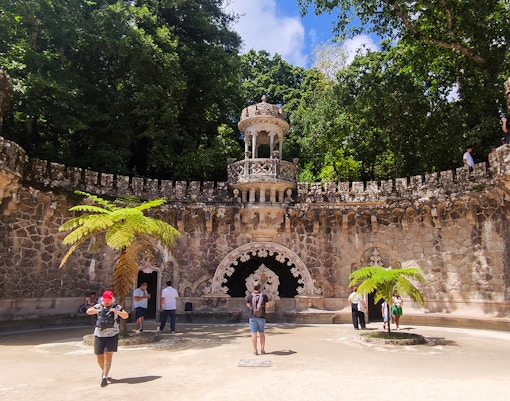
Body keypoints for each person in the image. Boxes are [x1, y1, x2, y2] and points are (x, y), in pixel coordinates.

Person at [86, 290, 129, 387]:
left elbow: (126, 315)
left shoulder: (116, 306)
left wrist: (116, 311)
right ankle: (104, 371)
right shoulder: (99, 305)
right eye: (105, 300)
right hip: (99, 335)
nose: (107, 302)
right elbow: (88, 311)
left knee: (108, 356)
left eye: (109, 300)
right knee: (99, 355)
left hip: (112, 335)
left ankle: (104, 377)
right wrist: (98, 311)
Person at [245, 283, 269, 355]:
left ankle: (255, 351)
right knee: (262, 333)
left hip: (252, 317)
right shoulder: (264, 296)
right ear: (259, 288)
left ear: (253, 288)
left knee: (254, 334)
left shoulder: (250, 296)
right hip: (261, 317)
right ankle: (262, 349)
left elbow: (248, 305)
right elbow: (267, 306)